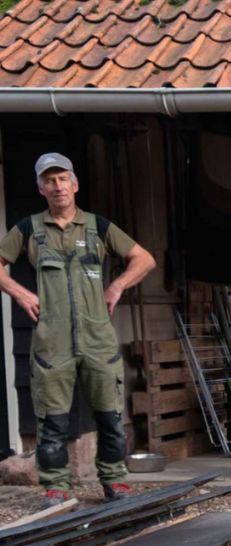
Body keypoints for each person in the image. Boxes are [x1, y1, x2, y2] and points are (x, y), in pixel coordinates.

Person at [0, 153, 156, 507]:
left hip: (98, 339)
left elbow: (144, 259)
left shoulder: (98, 227)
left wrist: (117, 286)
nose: (57, 186)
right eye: (49, 181)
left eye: (63, 179)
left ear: (75, 185)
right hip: (51, 343)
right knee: (52, 421)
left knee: (110, 417)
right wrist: (20, 292)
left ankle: (114, 482)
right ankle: (56, 487)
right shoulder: (28, 229)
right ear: (41, 188)